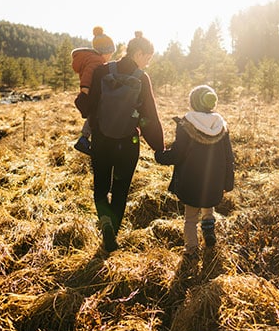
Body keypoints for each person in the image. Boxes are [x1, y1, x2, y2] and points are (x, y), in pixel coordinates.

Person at [85, 31, 164, 253]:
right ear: (138, 53)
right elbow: (149, 117)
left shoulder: (102, 71)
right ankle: (111, 236)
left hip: (101, 140)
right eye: (148, 57)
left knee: (101, 186)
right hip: (128, 144)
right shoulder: (141, 78)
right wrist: (159, 148)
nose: (148, 62)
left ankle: (105, 223)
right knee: (120, 190)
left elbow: (89, 106)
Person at [155, 85, 235, 257]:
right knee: (208, 208)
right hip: (213, 180)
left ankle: (191, 249)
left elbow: (178, 153)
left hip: (190, 180)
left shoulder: (187, 123)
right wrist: (228, 182)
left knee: (190, 219)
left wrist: (161, 156)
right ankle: (208, 233)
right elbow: (229, 156)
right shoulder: (221, 125)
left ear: (193, 102)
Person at [71, 26, 116, 154]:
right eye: (110, 53)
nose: (111, 56)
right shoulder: (96, 61)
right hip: (91, 93)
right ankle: (83, 140)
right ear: (104, 52)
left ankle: (84, 139)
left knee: (93, 116)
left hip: (91, 92)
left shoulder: (94, 59)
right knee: (93, 116)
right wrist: (85, 90)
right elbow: (88, 75)